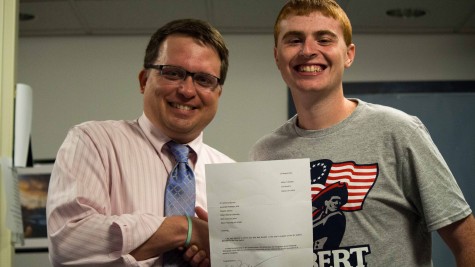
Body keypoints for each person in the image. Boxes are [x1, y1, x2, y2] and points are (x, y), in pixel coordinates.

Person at [249, 0, 475, 266]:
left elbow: (467, 241)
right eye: (294, 40)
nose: (308, 50)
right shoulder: (264, 153)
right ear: (277, 56)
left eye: (324, 39)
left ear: (349, 54)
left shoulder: (398, 132)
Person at [46, 18, 234, 267]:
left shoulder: (231, 174)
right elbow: (69, 243)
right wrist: (184, 228)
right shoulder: (94, 142)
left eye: (203, 80)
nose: (188, 91)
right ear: (144, 80)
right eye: (173, 73)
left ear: (218, 93)